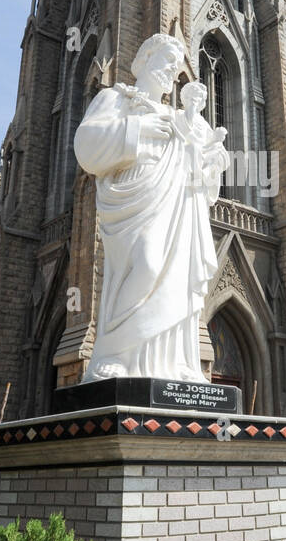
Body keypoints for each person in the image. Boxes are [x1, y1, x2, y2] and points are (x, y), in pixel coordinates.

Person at [72, 34, 229, 381]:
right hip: (133, 205)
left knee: (178, 278)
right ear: (144, 60)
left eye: (176, 69)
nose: (171, 73)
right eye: (166, 62)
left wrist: (212, 162)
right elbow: (86, 146)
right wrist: (137, 128)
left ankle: (176, 365)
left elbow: (200, 169)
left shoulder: (179, 117)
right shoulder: (117, 98)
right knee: (145, 264)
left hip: (176, 209)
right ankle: (115, 353)